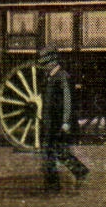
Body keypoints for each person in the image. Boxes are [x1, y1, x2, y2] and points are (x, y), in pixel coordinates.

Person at [37, 48, 89, 192]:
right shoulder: (52, 77)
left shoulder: (62, 76)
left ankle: (55, 185)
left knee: (54, 152)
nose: (44, 66)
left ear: (53, 62)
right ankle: (57, 183)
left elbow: (67, 101)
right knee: (53, 152)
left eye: (46, 63)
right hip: (50, 122)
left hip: (58, 123)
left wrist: (66, 122)